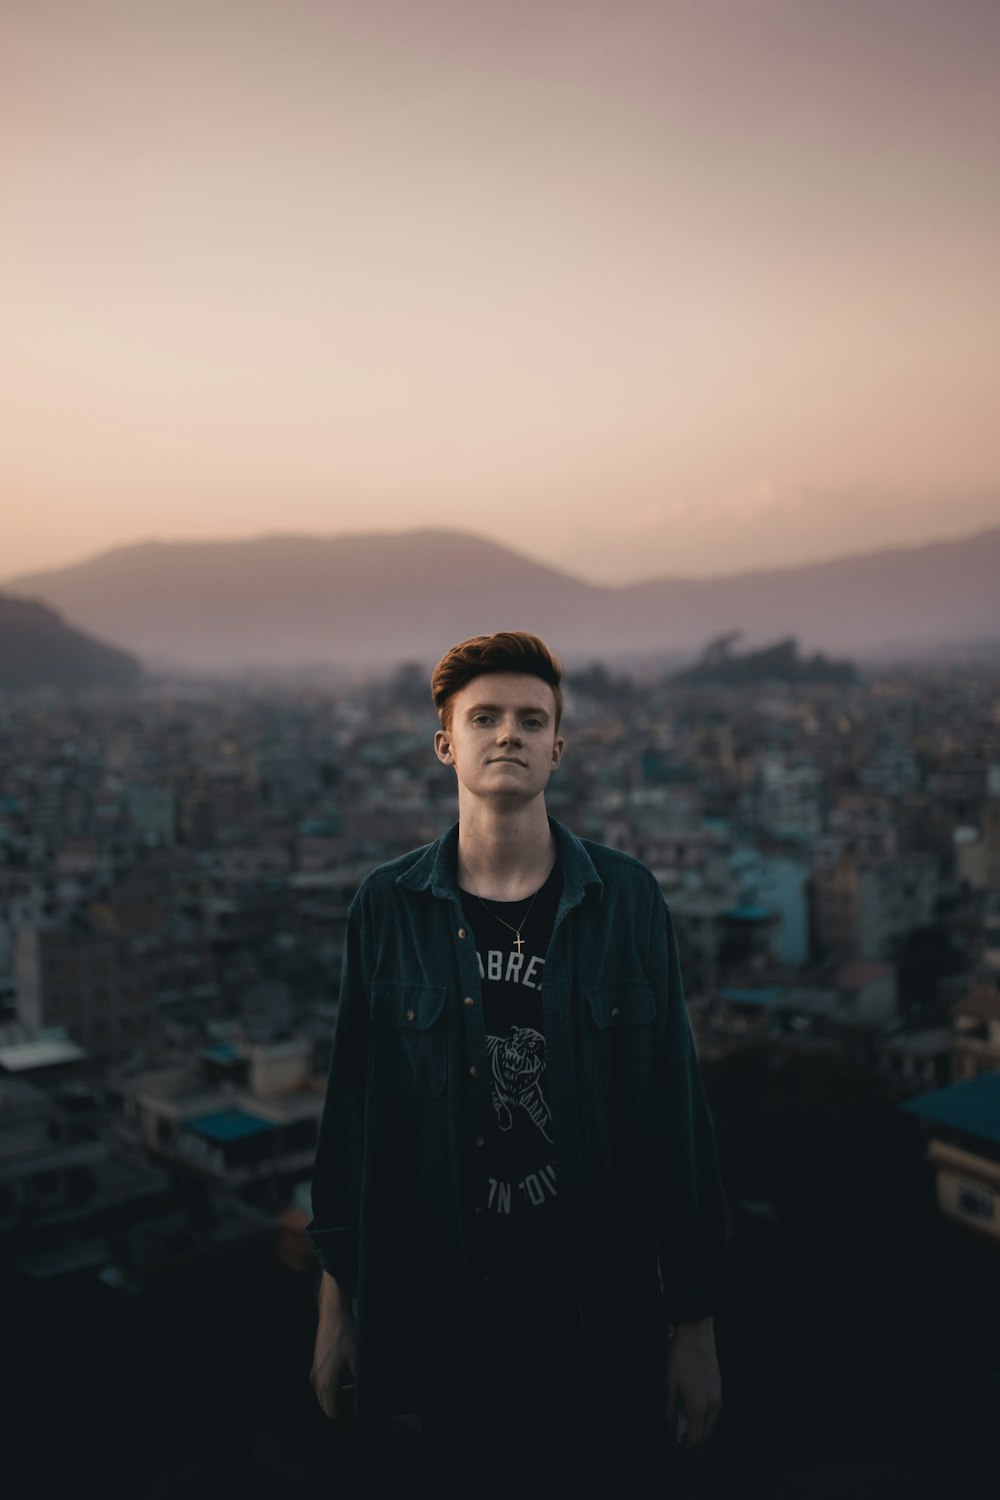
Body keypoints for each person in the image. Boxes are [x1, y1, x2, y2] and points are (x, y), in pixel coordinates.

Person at [307, 631, 729, 1493]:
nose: (508, 735)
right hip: (435, 1328)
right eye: (485, 717)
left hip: (600, 1322)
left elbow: (673, 1118)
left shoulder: (627, 901)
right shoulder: (386, 907)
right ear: (445, 744)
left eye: (531, 720)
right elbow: (354, 1119)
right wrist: (336, 1309)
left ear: (557, 748)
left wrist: (695, 1326)